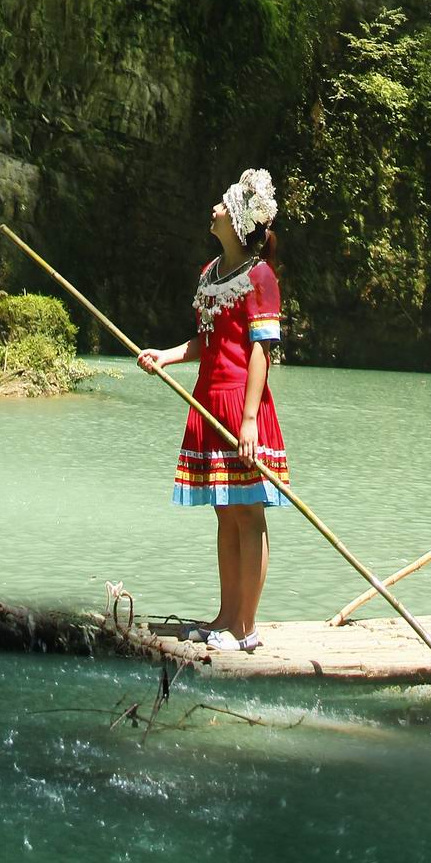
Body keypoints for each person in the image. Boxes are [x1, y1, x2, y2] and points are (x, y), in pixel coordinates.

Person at [139, 167, 287, 651]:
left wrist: (248, 421)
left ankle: (247, 628)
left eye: (223, 205)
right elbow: (207, 344)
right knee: (225, 512)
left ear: (239, 219)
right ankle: (224, 617)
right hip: (208, 401)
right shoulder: (209, 273)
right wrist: (167, 355)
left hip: (243, 405)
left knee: (249, 513)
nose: (215, 209)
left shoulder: (260, 277)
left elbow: (259, 351)